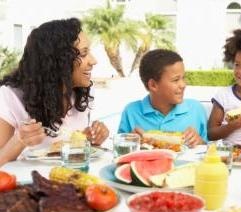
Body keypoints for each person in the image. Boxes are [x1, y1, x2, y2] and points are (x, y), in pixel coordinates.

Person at [0, 18, 109, 166]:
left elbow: (74, 151)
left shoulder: (82, 93)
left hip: (69, 181)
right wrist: (19, 140)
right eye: (83, 54)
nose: (93, 61)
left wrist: (93, 138)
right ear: (59, 61)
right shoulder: (10, 96)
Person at [118, 49, 207, 147]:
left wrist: (200, 142)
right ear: (153, 85)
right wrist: (130, 142)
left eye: (183, 78)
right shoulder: (131, 111)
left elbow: (209, 150)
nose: (183, 85)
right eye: (176, 80)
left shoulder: (196, 109)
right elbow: (119, 150)